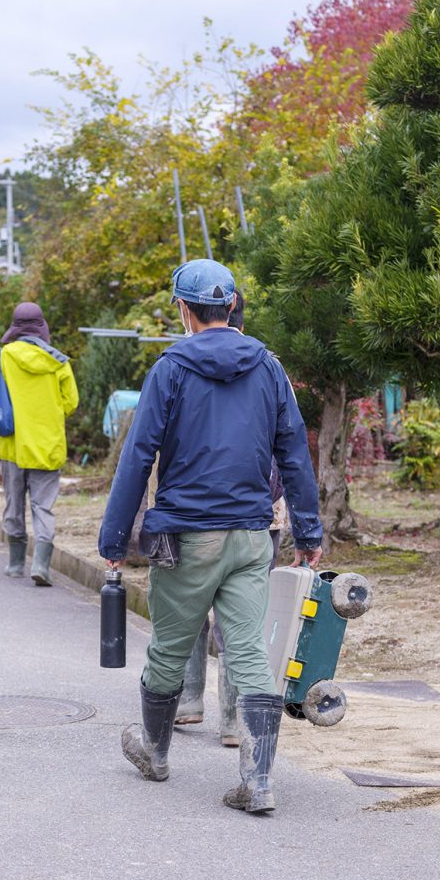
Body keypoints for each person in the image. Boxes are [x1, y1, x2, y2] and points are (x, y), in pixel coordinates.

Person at [99, 259, 322, 815]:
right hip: (252, 535)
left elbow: (138, 457)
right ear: (230, 305)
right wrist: (309, 531)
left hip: (186, 535)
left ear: (183, 309)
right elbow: (293, 453)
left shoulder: (170, 368)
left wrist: (113, 540)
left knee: (171, 648)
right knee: (247, 650)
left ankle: (154, 752)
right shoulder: (269, 367)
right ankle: (259, 779)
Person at [174, 288, 290, 747]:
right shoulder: (268, 364)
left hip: (198, 510)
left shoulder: (183, 362)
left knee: (189, 608)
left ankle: (187, 701)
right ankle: (233, 721)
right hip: (262, 510)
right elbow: (289, 443)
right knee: (242, 619)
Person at [0, 302, 78, 585]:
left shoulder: (0, 357)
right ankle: (41, 565)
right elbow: (71, 402)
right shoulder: (59, 362)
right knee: (43, 507)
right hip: (47, 446)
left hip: (12, 445)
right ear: (42, 327)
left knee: (13, 504)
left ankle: (15, 563)